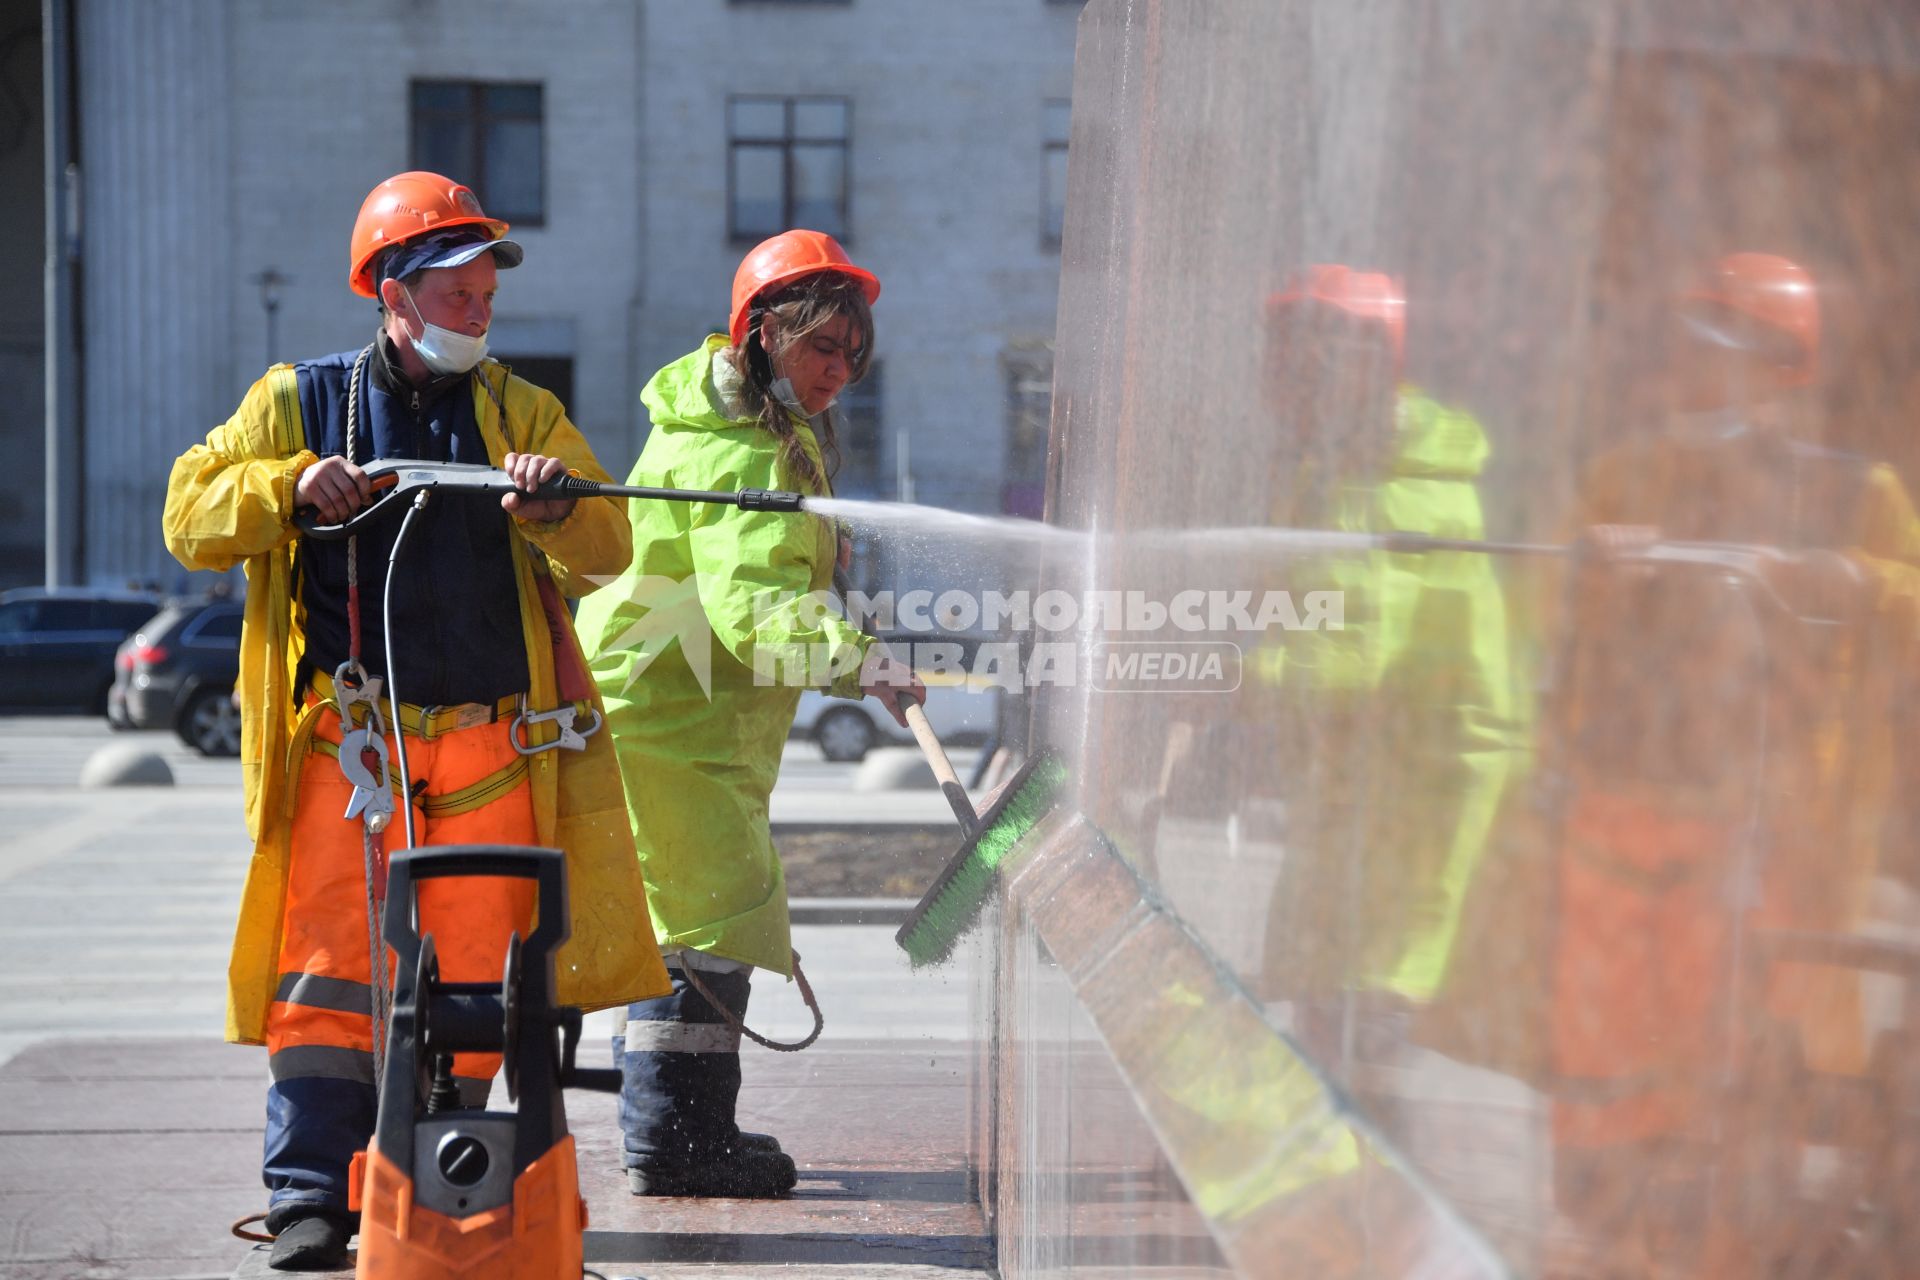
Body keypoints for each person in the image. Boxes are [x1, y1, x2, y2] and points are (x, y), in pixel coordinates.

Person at [162, 170, 668, 1270]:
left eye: (487, 294)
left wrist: (553, 503)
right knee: (331, 975)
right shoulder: (298, 401)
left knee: (478, 978)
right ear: (391, 291)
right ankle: (309, 1194)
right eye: (456, 293)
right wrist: (291, 487)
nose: (479, 312)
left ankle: (439, 1171)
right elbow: (188, 514)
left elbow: (608, 546)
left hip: (490, 743)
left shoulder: (520, 414)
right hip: (354, 745)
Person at [1544, 253, 1920, 1274]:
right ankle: (1621, 1224)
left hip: (1772, 817)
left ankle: (1720, 1232)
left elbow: (1910, 597)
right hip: (1628, 800)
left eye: (1728, 348)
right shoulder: (1625, 476)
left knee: (1751, 1041)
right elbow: (1551, 610)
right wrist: (1599, 567)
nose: (1699, 370)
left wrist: (1851, 578)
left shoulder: (1853, 492)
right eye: (1693, 345)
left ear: (1783, 365)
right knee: (1622, 1037)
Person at [575, 229, 921, 1198]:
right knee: (710, 912)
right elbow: (749, 610)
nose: (839, 372)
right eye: (824, 347)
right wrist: (863, 663)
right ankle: (677, 1140)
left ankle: (685, 1125)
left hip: (681, 714)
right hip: (668, 721)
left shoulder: (747, 430)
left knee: (701, 912)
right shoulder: (738, 451)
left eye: (853, 353)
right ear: (765, 332)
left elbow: (759, 577)